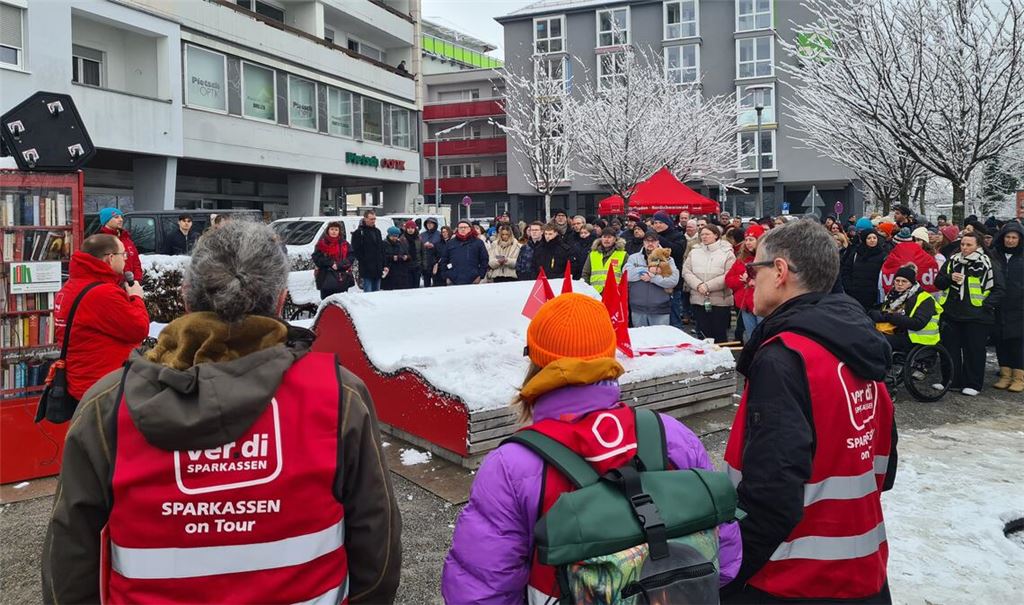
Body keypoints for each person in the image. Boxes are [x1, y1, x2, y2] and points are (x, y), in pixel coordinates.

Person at [42, 221, 401, 604]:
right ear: (280, 300)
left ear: (185, 298)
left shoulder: (107, 405)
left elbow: (70, 560)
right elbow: (377, 544)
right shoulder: (339, 395)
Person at [441, 293, 741, 603]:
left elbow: (479, 592)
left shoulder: (510, 464)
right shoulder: (672, 435)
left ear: (537, 361)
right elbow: (726, 559)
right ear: (608, 356)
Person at [721, 219, 896, 604]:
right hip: (864, 570)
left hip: (791, 578)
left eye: (755, 269)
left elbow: (772, 493)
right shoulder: (856, 343)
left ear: (779, 271)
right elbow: (883, 462)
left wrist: (730, 572)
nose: (750, 279)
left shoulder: (786, 357)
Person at [52, 234, 149, 403]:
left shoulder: (70, 286)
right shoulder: (103, 293)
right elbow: (139, 329)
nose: (126, 259)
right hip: (105, 388)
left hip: (82, 380)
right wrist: (136, 298)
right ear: (110, 258)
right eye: (123, 254)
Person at [934, 232, 1004, 396]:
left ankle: (973, 383)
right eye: (963, 244)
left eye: (969, 245)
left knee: (974, 350)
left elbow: (1000, 290)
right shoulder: (953, 261)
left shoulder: (989, 263)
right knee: (950, 349)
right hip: (952, 313)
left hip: (978, 316)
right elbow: (938, 282)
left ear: (978, 246)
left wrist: (985, 305)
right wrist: (950, 278)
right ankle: (951, 380)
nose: (964, 248)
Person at [869, 265, 941, 352]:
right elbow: (883, 312)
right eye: (897, 281)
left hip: (917, 339)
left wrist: (890, 317)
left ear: (912, 283)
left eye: (904, 281)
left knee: (876, 340)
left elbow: (918, 323)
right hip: (897, 332)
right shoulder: (892, 295)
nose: (899, 284)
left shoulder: (925, 298)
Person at [682, 224, 735, 343]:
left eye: (707, 234)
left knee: (719, 334)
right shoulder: (695, 251)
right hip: (698, 298)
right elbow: (686, 271)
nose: (704, 237)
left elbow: (729, 274)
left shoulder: (727, 252)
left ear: (716, 235)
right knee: (703, 334)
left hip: (720, 301)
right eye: (702, 235)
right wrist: (698, 285)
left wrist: (707, 286)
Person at [992, 223, 1023, 392]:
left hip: (1019, 306)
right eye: (1008, 237)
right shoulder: (995, 255)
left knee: (1017, 342)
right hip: (999, 305)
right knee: (1000, 340)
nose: (1010, 241)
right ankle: (1005, 374)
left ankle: (1019, 377)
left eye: (1014, 238)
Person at [625, 232, 680, 326]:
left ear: (658, 242)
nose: (650, 243)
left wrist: (652, 278)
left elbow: (672, 281)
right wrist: (649, 270)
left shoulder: (668, 259)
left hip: (660, 308)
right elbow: (627, 275)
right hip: (638, 308)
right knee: (641, 339)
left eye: (653, 241)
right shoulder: (633, 258)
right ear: (643, 242)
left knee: (660, 339)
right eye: (647, 241)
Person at [726, 224, 766, 342]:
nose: (748, 242)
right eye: (747, 239)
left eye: (752, 239)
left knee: (762, 337)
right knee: (750, 337)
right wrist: (742, 280)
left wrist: (753, 281)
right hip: (746, 305)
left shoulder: (767, 258)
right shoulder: (742, 259)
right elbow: (728, 279)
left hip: (762, 305)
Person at [650, 212, 688, 329]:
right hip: (655, 279)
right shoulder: (651, 237)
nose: (657, 225)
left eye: (660, 223)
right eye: (655, 223)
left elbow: (678, 251)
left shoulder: (678, 236)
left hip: (672, 280)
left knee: (674, 314)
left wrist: (659, 239)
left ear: (667, 223)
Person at [841, 228, 887, 311]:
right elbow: (846, 270)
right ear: (864, 240)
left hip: (873, 295)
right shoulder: (856, 253)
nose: (872, 240)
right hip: (855, 293)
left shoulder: (883, 255)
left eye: (874, 238)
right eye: (869, 238)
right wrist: (848, 287)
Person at [97, 207, 143, 280]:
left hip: (131, 286)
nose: (121, 220)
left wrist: (137, 280)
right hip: (113, 286)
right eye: (116, 217)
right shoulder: (101, 241)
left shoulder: (126, 239)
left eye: (121, 217)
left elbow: (136, 262)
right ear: (106, 220)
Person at [439, 220, 489, 286]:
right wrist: (446, 276)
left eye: (465, 227)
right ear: (457, 229)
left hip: (474, 280)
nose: (463, 229)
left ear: (470, 228)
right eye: (460, 227)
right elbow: (444, 260)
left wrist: (480, 275)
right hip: (453, 280)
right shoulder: (450, 243)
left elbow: (484, 260)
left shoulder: (478, 242)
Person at [311, 221, 353, 299]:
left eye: (336, 230)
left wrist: (339, 265)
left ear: (339, 232)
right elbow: (316, 257)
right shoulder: (321, 243)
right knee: (327, 302)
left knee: (341, 301)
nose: (334, 231)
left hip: (341, 277)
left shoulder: (344, 244)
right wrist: (330, 263)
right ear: (328, 230)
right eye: (332, 229)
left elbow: (350, 257)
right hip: (325, 277)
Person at [580, 227, 627, 293]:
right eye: (604, 237)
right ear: (601, 238)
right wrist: (587, 290)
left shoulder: (623, 255)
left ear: (615, 239)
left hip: (614, 294)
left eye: (609, 237)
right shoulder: (593, 254)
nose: (606, 239)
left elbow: (626, 276)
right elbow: (586, 274)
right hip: (595, 293)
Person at [351, 210, 385, 293]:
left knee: (377, 292)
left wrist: (382, 263)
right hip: (367, 267)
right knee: (368, 292)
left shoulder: (377, 231)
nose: (373, 221)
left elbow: (381, 248)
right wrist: (364, 260)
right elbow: (356, 249)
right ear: (365, 219)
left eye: (374, 219)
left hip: (377, 267)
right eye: (371, 219)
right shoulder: (359, 232)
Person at [382, 226, 411, 290]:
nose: (395, 238)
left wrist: (406, 257)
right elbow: (382, 257)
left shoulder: (401, 244)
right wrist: (392, 257)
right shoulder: (384, 244)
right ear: (389, 235)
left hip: (401, 273)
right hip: (390, 272)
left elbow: (407, 254)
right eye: (393, 236)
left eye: (396, 236)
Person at [420, 218, 444, 287]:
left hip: (436, 262)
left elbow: (442, 246)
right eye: (428, 223)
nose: (429, 225)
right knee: (426, 283)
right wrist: (423, 246)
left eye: (431, 223)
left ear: (435, 224)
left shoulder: (439, 234)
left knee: (437, 283)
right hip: (426, 262)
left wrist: (434, 246)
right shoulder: (422, 235)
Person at [401, 220, 422, 288]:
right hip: (406, 266)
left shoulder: (419, 238)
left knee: (416, 286)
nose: (410, 230)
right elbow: (400, 251)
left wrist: (422, 265)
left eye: (412, 228)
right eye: (408, 228)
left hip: (417, 265)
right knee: (408, 287)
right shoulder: (402, 239)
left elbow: (423, 252)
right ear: (406, 229)